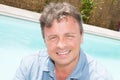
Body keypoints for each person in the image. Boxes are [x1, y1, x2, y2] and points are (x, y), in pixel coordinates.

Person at [13, 2, 112, 80]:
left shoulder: (99, 77)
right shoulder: (30, 65)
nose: (61, 45)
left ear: (81, 37)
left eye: (69, 36)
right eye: (53, 37)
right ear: (44, 40)